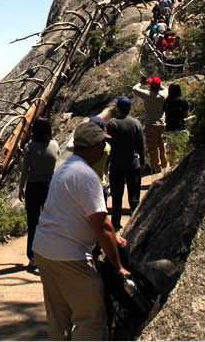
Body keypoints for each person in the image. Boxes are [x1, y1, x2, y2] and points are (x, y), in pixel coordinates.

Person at [33, 122, 131, 341]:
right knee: (92, 318)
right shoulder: (88, 177)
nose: (104, 148)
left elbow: (74, 213)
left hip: (44, 249)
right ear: (94, 146)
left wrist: (111, 236)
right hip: (69, 256)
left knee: (58, 320)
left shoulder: (65, 168)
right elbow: (102, 225)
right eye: (102, 144)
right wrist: (119, 266)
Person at [18, 117, 59, 269]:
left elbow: (25, 170)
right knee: (50, 220)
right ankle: (51, 253)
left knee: (33, 222)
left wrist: (21, 187)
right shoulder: (54, 145)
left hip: (33, 187)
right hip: (50, 186)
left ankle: (33, 255)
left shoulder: (29, 147)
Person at [106, 96, 147, 231]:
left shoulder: (112, 124)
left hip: (117, 165)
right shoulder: (135, 123)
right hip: (132, 164)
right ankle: (135, 224)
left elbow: (108, 145)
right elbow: (141, 145)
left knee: (117, 198)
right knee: (134, 197)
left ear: (118, 108)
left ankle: (116, 224)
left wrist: (106, 163)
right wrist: (142, 161)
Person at [132, 77, 168, 174]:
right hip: (161, 123)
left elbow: (134, 89)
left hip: (151, 125)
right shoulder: (163, 95)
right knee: (161, 145)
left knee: (153, 148)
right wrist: (155, 83)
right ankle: (164, 163)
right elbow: (164, 88)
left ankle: (157, 168)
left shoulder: (148, 95)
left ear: (151, 86)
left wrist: (142, 83)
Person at [162, 83, 190, 171]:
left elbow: (165, 113)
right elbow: (186, 115)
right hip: (180, 127)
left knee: (172, 152)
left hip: (170, 129)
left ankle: (172, 170)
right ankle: (185, 170)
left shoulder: (166, 101)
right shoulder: (182, 101)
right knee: (184, 151)